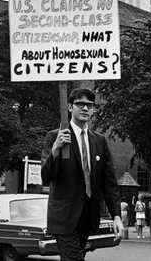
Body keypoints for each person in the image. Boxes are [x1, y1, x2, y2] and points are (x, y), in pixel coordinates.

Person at [41, 88, 124, 260]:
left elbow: (109, 183)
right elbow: (45, 177)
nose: (85, 108)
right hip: (64, 218)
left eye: (89, 105)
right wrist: (55, 150)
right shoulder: (56, 137)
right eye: (80, 104)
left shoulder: (99, 141)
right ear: (70, 107)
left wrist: (116, 216)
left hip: (87, 217)